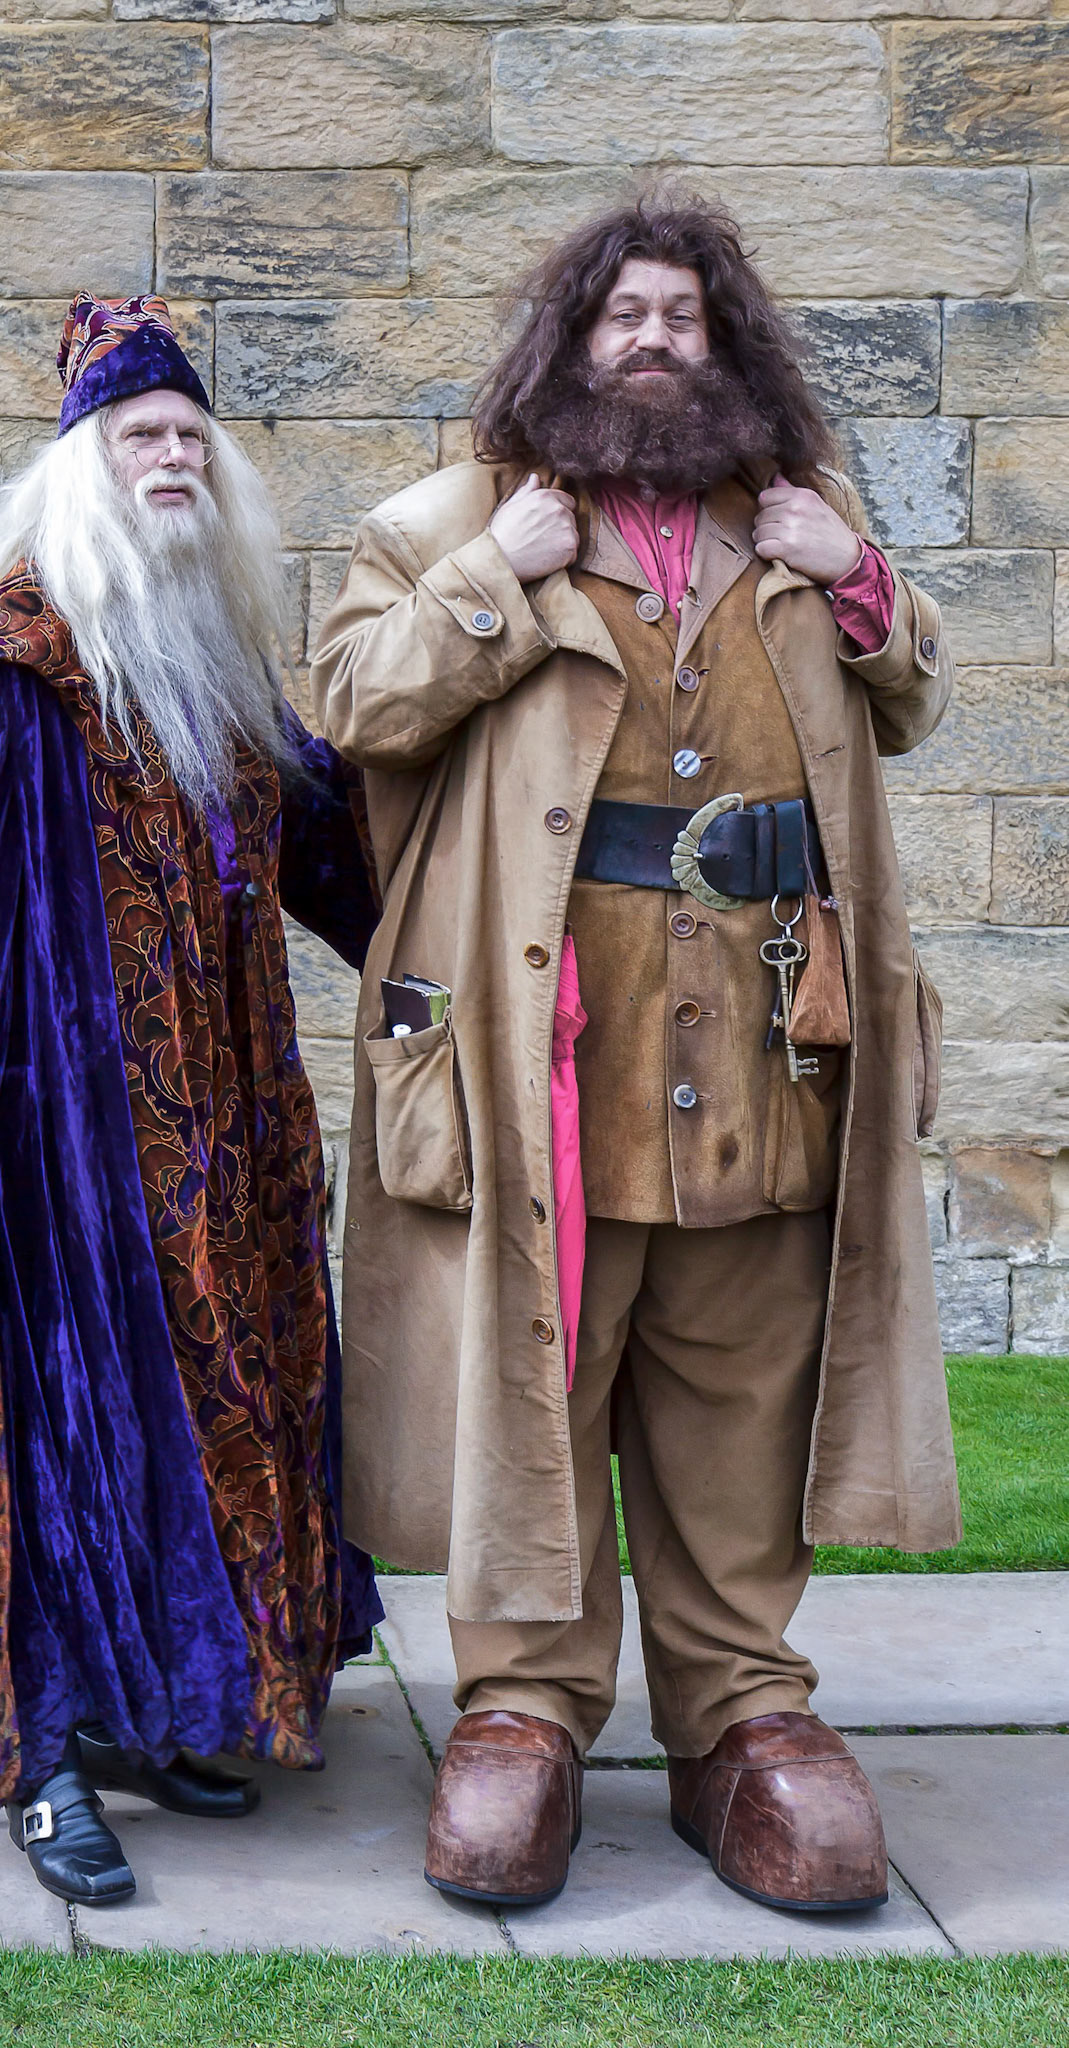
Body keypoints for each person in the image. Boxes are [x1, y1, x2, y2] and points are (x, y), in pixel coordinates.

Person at [310, 197, 958, 1915]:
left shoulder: (800, 523)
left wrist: (860, 581)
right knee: (531, 1372)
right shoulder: (452, 518)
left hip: (764, 1037)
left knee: (743, 1378)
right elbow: (353, 705)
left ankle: (739, 1714)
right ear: (567, 342)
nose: (653, 341)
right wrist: (490, 581)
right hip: (543, 1042)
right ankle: (520, 1711)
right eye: (622, 317)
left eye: (683, 315)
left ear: (726, 342)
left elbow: (913, 693)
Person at [0, 292, 381, 1907]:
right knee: (45, 1433)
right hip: (55, 1145)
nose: (172, 457)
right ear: (81, 474)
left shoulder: (219, 678)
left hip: (218, 1145)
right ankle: (43, 1759)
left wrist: (492, 942)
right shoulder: (12, 669)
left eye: (191, 437)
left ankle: (158, 1706)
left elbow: (351, 861)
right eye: (141, 438)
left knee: (196, 1418)